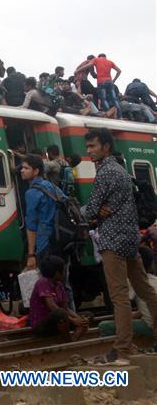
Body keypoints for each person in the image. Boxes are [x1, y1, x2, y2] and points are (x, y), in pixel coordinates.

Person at [82, 128, 157, 364]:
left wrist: (94, 212)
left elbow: (90, 210)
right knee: (145, 290)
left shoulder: (105, 173)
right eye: (88, 147)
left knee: (119, 297)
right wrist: (98, 210)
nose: (89, 151)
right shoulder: (122, 171)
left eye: (93, 146)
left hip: (112, 241)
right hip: (130, 240)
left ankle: (122, 350)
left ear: (106, 146)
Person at [20, 154, 74, 307]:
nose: (22, 171)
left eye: (26, 168)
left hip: (45, 244)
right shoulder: (50, 186)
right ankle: (72, 317)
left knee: (48, 286)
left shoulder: (31, 193)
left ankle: (58, 320)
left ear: (36, 171)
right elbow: (65, 200)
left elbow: (31, 226)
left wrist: (31, 254)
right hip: (62, 241)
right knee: (64, 284)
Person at [99, 248, 157, 338]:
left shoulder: (132, 281)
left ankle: (118, 348)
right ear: (151, 264)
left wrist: (116, 319)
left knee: (104, 326)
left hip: (151, 327)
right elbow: (148, 308)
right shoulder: (155, 280)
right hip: (153, 321)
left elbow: (122, 308)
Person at [28, 255, 89, 340]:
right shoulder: (43, 282)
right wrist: (73, 320)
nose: (65, 273)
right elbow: (52, 307)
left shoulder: (59, 285)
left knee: (87, 316)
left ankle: (73, 339)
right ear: (56, 272)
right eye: (63, 270)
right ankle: (67, 341)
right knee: (60, 313)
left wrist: (79, 319)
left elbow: (66, 308)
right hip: (42, 325)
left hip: (58, 321)